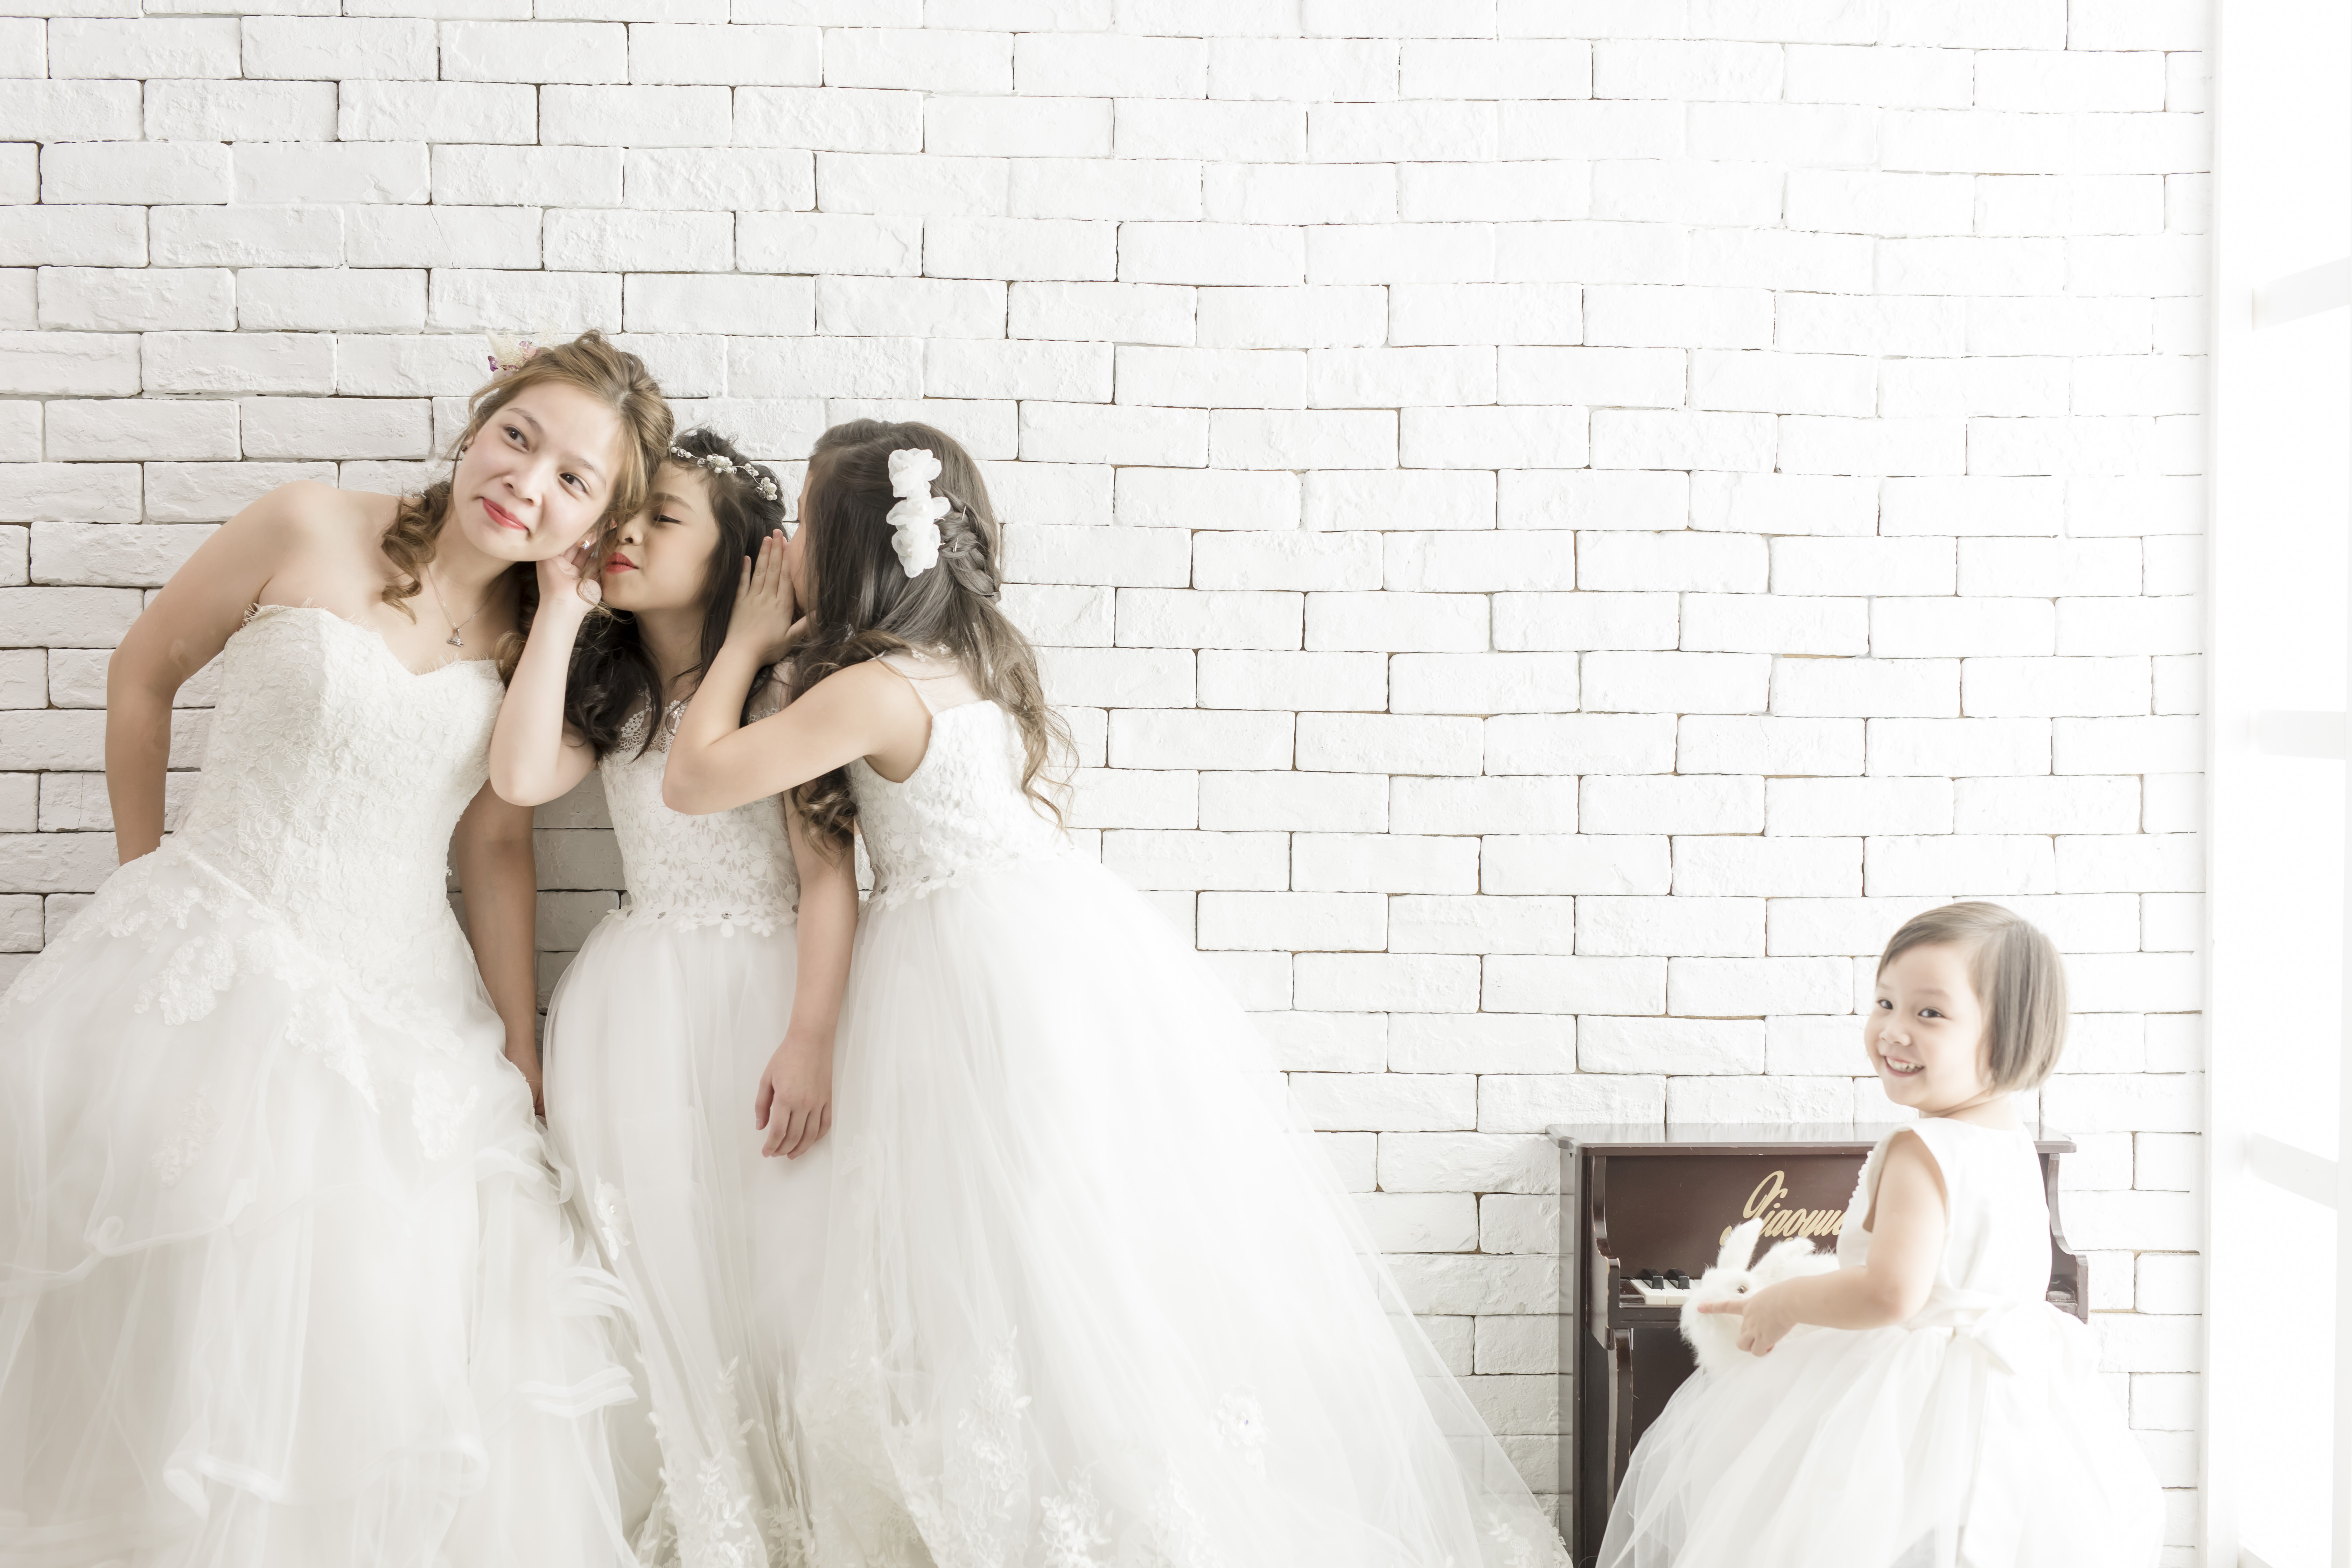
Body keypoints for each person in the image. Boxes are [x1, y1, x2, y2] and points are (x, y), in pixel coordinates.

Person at [661, 419, 1568, 1567]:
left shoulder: (871, 694)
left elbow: (693, 780)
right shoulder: (976, 661)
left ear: (841, 553)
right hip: (1044, 946)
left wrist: (742, 645)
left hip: (962, 977)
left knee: (987, 1259)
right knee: (1047, 1251)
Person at [0, 331, 671, 1568]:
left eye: (576, 480)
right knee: (176, 1293)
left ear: (596, 526)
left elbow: (497, 851)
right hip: (202, 953)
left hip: (400, 1000)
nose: (528, 481)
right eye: (520, 436)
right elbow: (143, 674)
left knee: (378, 1322)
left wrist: (520, 1041)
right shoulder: (304, 525)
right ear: (480, 424)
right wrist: (144, 882)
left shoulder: (543, 654)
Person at [488, 427, 854, 1566]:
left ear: (740, 553)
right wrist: (555, 610)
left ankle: (801, 1512)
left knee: (786, 1264)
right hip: (641, 1010)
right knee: (666, 1267)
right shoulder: (616, 694)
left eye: (666, 519)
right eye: (624, 518)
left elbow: (825, 872)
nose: (630, 538)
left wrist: (812, 1034)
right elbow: (513, 780)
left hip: (771, 995)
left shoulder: (787, 685)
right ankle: (703, 1518)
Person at [1599, 902, 2164, 1567]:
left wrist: (1784, 1304)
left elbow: (1892, 1295)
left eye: (1929, 1013)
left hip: (1908, 1401)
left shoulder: (1920, 1149)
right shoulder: (2010, 1139)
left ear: (2008, 1034)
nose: (1894, 1030)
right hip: (2009, 1397)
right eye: (1885, 1002)